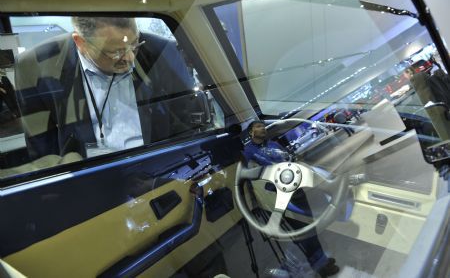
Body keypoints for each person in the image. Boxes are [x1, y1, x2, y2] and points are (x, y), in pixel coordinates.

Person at [15, 17, 205, 159]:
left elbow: (187, 121)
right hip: (87, 184)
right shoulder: (36, 66)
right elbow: (41, 148)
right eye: (116, 52)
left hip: (156, 171)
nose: (130, 58)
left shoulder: (162, 51)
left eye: (134, 44)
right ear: (80, 43)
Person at [243, 120, 340, 278]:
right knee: (303, 229)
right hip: (279, 194)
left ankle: (320, 260)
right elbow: (252, 176)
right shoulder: (248, 152)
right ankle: (320, 266)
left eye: (263, 126)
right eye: (258, 127)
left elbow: (289, 158)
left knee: (309, 227)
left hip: (296, 187)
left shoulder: (273, 144)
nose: (263, 129)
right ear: (251, 132)